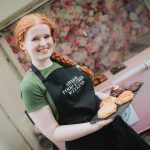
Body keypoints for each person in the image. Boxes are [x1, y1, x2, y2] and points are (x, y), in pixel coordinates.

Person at [14, 13, 150, 150]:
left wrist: (112, 99)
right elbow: (54, 132)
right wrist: (96, 125)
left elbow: (87, 94)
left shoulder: (63, 63)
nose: (43, 43)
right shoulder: (30, 85)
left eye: (46, 36)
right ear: (22, 45)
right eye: (35, 39)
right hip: (88, 144)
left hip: (117, 130)